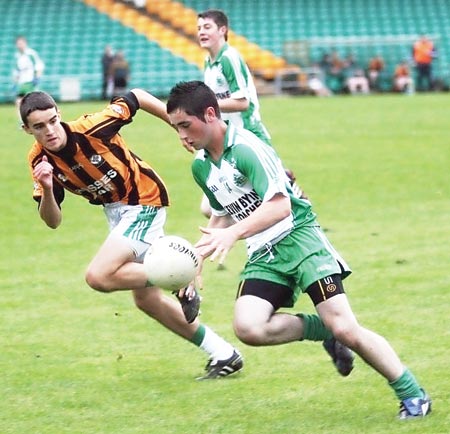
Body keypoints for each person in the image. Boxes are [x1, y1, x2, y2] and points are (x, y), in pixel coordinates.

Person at [166, 80, 432, 419]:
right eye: (176, 129)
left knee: (348, 327)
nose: (182, 137)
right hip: (265, 252)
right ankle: (326, 332)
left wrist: (233, 235)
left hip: (301, 240)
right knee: (249, 328)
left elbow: (280, 208)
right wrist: (194, 261)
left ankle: (413, 394)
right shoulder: (201, 166)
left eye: (185, 126)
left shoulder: (247, 149)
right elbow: (220, 215)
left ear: (209, 114)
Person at [22, 89, 243, 380]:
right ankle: (224, 354)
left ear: (59, 114)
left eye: (52, 121)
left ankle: (178, 273)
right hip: (116, 212)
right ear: (27, 129)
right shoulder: (39, 159)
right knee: (147, 301)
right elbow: (52, 221)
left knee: (98, 277)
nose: (49, 130)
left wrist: (177, 128)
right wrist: (48, 188)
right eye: (39, 126)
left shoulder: (93, 126)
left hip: (143, 200)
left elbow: (136, 96)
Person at [196, 9, 301, 217]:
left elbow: (243, 102)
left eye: (207, 27)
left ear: (222, 30)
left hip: (249, 134)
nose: (201, 32)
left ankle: (291, 193)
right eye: (199, 28)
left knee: (285, 202)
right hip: (228, 139)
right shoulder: (209, 63)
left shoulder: (229, 58)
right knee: (211, 209)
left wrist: (207, 106)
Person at [13, 35, 44, 115]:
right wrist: (15, 83)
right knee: (18, 102)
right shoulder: (18, 56)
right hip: (22, 83)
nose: (20, 45)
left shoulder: (31, 54)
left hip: (30, 82)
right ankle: (22, 120)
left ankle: (36, 118)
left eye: (21, 43)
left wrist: (37, 78)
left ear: (25, 43)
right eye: (18, 43)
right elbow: (17, 71)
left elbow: (39, 66)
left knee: (32, 101)